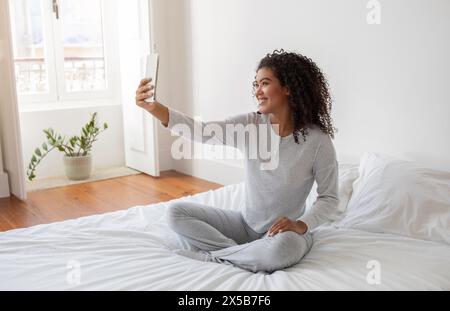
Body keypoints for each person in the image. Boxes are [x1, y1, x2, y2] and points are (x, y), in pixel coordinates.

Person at [134, 49, 340, 273]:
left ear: (288, 88)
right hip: (245, 225)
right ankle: (237, 255)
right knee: (176, 213)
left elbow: (329, 197)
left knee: (281, 251)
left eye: (264, 83)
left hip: (285, 233)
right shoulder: (250, 125)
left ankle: (222, 257)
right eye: (256, 84)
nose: (257, 91)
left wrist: (301, 224)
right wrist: (153, 107)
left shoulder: (318, 141)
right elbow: (201, 131)